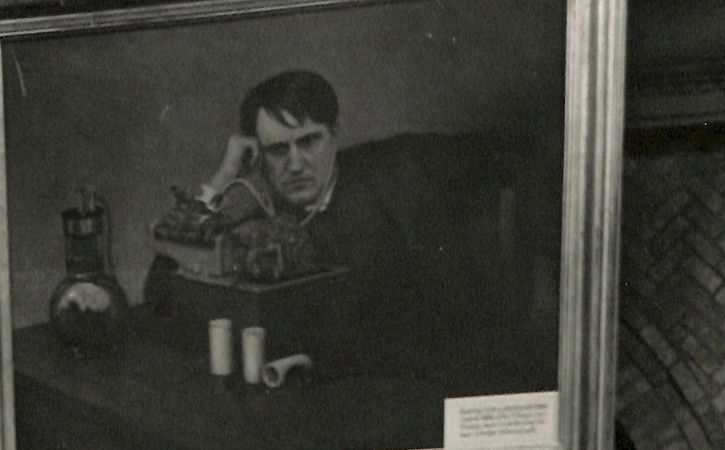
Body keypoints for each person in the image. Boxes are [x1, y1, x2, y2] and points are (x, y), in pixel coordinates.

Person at [148, 67, 554, 392]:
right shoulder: (266, 219)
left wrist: (532, 283)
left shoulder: (397, 168)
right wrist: (225, 173)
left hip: (441, 381)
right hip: (337, 392)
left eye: (309, 141)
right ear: (259, 157)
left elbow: (519, 152)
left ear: (335, 137)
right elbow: (163, 280)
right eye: (277, 149)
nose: (295, 163)